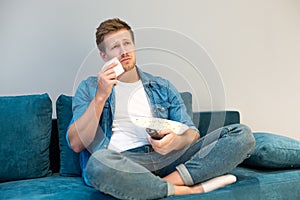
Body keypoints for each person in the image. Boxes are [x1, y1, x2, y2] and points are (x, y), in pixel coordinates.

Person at [67, 18, 255, 199]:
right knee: (98, 164)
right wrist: (101, 96)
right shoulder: (90, 87)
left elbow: (192, 133)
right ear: (103, 55)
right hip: (124, 163)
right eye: (115, 46)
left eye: (127, 43)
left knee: (241, 135)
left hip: (169, 160)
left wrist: (176, 141)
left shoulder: (162, 86)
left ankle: (157, 186)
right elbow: (76, 143)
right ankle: (188, 190)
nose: (124, 51)